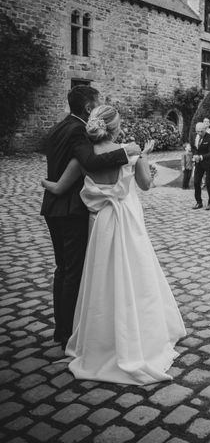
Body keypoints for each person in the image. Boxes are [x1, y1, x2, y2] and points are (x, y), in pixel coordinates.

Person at [41, 105, 185, 384]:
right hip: (128, 222)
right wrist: (146, 159)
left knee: (101, 280)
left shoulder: (82, 157)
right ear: (115, 128)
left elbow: (59, 187)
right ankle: (139, 335)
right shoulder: (130, 152)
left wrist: (44, 182)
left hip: (101, 225)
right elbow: (145, 186)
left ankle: (101, 339)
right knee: (135, 274)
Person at [40, 86, 139, 350]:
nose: (99, 106)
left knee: (62, 269)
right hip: (71, 209)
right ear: (87, 108)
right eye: (98, 102)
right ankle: (68, 332)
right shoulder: (77, 131)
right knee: (74, 271)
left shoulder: (57, 128)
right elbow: (91, 162)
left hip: (53, 207)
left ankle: (62, 327)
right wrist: (128, 152)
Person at [191, 121, 210, 209]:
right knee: (196, 182)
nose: (199, 133)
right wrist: (195, 155)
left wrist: (201, 157)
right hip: (198, 163)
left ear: (205, 130)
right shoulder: (194, 136)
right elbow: (193, 147)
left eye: (201, 131)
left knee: (209, 182)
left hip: (209, 163)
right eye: (197, 131)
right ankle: (199, 202)